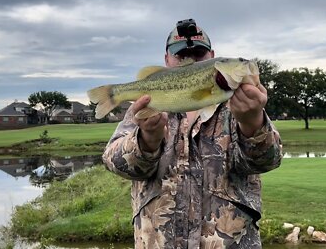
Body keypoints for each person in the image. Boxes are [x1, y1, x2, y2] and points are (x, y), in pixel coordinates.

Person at [102, 19, 282, 249]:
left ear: (213, 57)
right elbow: (114, 162)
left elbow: (268, 160)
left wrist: (252, 123)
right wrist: (146, 141)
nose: (189, 60)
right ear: (166, 60)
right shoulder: (144, 109)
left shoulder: (241, 105)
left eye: (198, 53)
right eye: (180, 55)